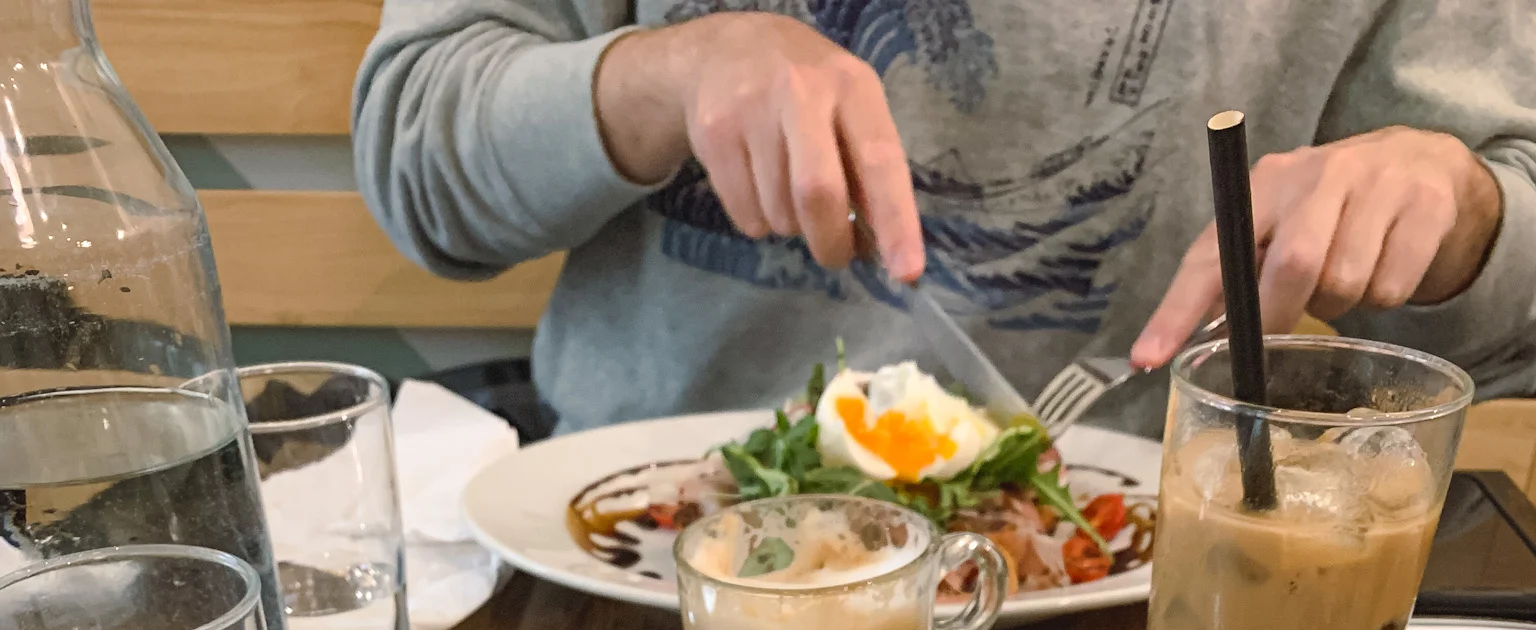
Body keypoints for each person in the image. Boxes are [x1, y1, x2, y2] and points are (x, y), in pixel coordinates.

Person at [353, 0, 1536, 435]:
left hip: (1140, 603)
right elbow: (416, 163)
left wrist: (1458, 211)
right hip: (631, 578)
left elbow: (1509, 291)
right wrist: (659, 77)